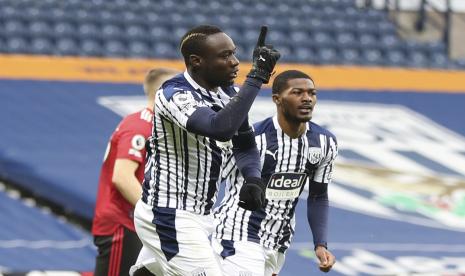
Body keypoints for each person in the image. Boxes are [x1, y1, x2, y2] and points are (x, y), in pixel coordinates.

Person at [131, 24, 280, 275]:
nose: (234, 62)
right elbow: (219, 127)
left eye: (234, 53)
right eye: (225, 56)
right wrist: (255, 78)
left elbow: (244, 143)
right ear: (196, 61)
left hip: (201, 214)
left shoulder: (226, 93)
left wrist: (253, 178)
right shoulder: (173, 94)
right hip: (169, 214)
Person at [213, 70, 338, 275]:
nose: (307, 98)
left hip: (278, 241)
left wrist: (320, 243)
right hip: (237, 233)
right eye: (297, 92)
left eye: (312, 93)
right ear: (277, 99)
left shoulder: (325, 142)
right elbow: (216, 178)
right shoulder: (252, 138)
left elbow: (318, 195)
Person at [91, 68, 178, 276]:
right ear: (163, 93)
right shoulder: (140, 126)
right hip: (123, 223)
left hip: (138, 224)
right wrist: (155, 215)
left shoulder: (158, 126)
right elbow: (122, 177)